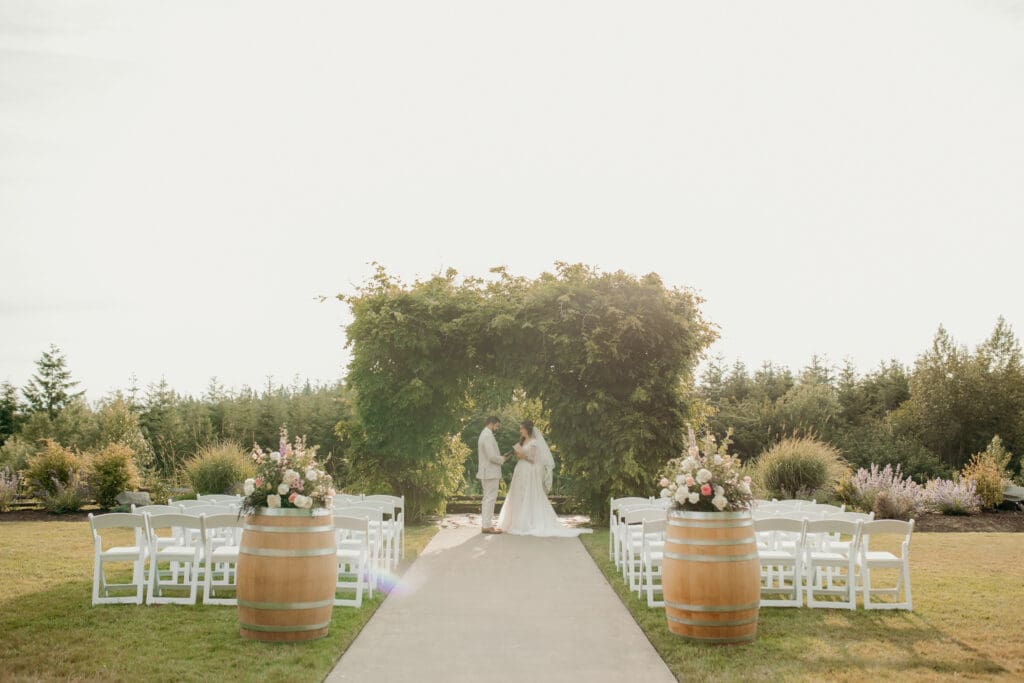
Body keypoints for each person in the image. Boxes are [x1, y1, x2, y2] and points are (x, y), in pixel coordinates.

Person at [496, 420, 590, 537]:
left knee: (528, 494)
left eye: (521, 428)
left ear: (527, 429)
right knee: (518, 494)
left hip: (528, 471)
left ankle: (528, 521)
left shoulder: (534, 442)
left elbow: (533, 459)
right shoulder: (522, 441)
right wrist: (517, 454)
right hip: (520, 470)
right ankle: (515, 521)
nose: (520, 430)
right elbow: (520, 456)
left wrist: (522, 456)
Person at [476, 416, 508, 534]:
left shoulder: (484, 434)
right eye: (497, 426)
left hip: (487, 472)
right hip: (490, 472)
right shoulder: (487, 436)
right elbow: (491, 456)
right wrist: (503, 459)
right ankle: (487, 526)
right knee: (490, 499)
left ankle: (486, 525)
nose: (497, 428)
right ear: (491, 423)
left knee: (487, 499)